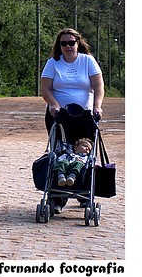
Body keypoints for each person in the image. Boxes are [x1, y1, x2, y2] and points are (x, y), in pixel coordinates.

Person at [40, 27, 104, 212]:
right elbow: (45, 89)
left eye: (71, 43)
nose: (67, 46)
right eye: (63, 43)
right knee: (59, 153)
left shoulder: (88, 61)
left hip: (85, 115)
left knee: (84, 153)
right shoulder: (53, 63)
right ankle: (58, 198)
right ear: (59, 46)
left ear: (78, 44)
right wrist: (53, 104)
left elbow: (98, 86)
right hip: (59, 116)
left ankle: (84, 194)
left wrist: (97, 106)